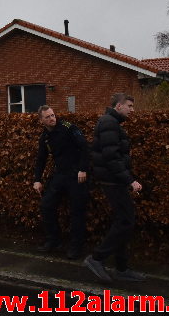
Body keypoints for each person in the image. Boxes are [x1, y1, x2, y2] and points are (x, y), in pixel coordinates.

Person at [84, 93, 145, 283]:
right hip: (113, 181)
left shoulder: (112, 122)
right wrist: (129, 180)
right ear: (118, 106)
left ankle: (121, 268)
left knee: (123, 223)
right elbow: (111, 157)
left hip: (115, 180)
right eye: (129, 106)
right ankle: (96, 258)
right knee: (125, 222)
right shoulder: (109, 123)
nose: (132, 110)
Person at [32, 105, 89, 260]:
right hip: (60, 175)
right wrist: (37, 179)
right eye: (48, 117)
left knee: (77, 211)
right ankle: (53, 240)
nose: (52, 118)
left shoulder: (68, 128)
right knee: (46, 205)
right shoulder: (45, 137)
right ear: (41, 120)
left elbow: (85, 147)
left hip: (77, 174)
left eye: (53, 115)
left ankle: (76, 247)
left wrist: (83, 169)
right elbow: (41, 159)